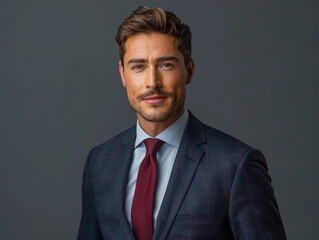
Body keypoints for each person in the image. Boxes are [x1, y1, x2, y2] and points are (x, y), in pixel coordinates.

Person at [77, 6, 286, 240]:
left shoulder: (236, 165)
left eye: (166, 64)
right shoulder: (99, 162)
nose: (152, 82)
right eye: (138, 66)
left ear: (189, 70)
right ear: (123, 74)